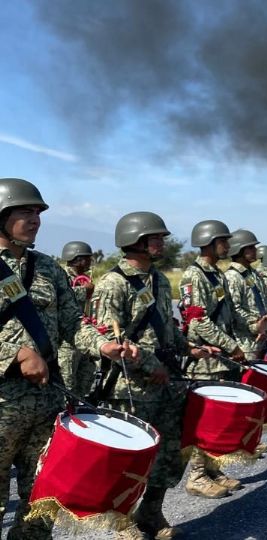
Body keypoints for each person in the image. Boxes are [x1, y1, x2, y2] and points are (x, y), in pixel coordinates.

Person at [0, 178, 133, 538]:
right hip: (2, 403)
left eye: (38, 212)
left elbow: (74, 323)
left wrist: (103, 346)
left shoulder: (47, 268)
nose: (35, 219)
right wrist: (14, 354)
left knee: (42, 500)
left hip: (45, 402)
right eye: (25, 211)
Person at [94, 211, 217, 539]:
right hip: (131, 385)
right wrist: (148, 367)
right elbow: (111, 337)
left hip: (166, 383)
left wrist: (191, 349)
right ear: (135, 241)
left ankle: (151, 513)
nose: (162, 241)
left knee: (167, 455)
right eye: (155, 237)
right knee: (131, 461)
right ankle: (123, 523)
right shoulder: (113, 283)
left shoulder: (161, 281)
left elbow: (166, 329)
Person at [178, 220, 248, 498]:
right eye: (223, 241)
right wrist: (231, 346)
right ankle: (196, 476)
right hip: (207, 358)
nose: (228, 246)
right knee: (205, 419)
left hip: (223, 358)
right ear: (208, 242)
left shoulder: (216, 274)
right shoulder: (194, 275)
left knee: (220, 419)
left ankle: (213, 468)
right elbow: (197, 322)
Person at [58, 240, 97, 395]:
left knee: (85, 380)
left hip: (84, 336)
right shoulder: (61, 275)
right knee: (67, 383)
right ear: (78, 259)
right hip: (67, 342)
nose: (89, 262)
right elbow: (60, 298)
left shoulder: (84, 278)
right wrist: (83, 291)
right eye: (87, 258)